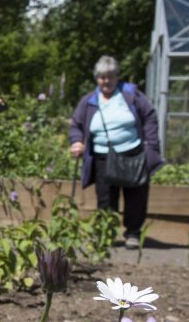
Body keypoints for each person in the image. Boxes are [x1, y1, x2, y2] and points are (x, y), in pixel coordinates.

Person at [69, 55, 164, 249]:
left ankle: (133, 233)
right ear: (97, 78)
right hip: (102, 156)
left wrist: (151, 145)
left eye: (110, 76)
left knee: (135, 195)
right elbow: (76, 124)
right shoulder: (89, 101)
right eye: (102, 77)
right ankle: (106, 234)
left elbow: (149, 117)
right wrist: (77, 141)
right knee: (105, 198)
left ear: (117, 77)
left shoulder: (131, 95)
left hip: (133, 153)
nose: (106, 81)